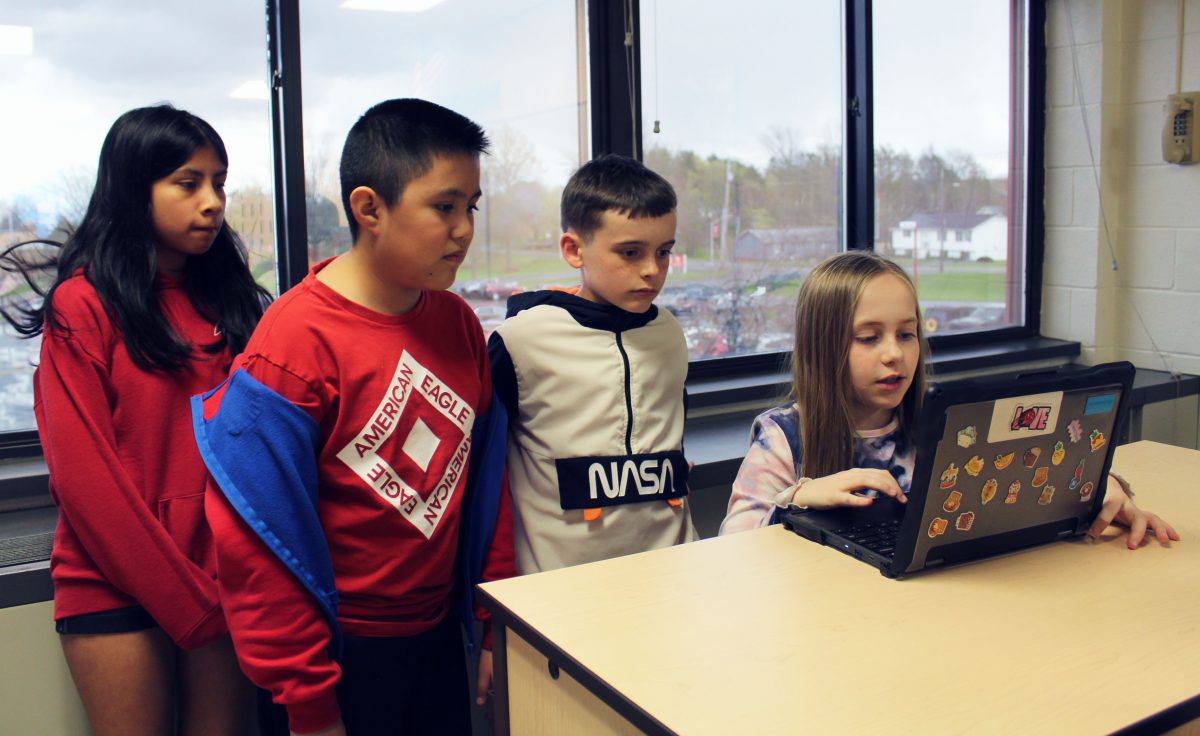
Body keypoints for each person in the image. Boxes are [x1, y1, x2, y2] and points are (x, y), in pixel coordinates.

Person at [193, 98, 515, 736]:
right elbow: (259, 542)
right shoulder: (292, 344)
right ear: (369, 208)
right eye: (444, 207)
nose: (464, 230)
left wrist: (490, 618)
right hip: (336, 659)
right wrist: (310, 704)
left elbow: (486, 487)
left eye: (471, 208)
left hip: (436, 639)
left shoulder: (457, 324)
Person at [0, 105, 268, 735]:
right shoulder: (83, 304)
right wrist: (191, 607)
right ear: (132, 187)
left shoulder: (226, 299)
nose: (212, 202)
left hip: (222, 577)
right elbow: (87, 484)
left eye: (219, 183)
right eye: (187, 182)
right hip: (114, 584)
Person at [719, 250, 1179, 548]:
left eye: (906, 334)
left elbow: (1032, 472)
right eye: (868, 338)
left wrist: (1101, 488)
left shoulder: (947, 425)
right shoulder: (784, 436)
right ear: (824, 346)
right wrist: (797, 499)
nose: (894, 355)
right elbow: (732, 550)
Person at [489, 154, 696, 575]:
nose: (652, 271)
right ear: (573, 249)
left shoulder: (670, 335)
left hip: (672, 574)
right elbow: (485, 475)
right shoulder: (521, 341)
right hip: (558, 589)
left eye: (664, 252)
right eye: (630, 252)